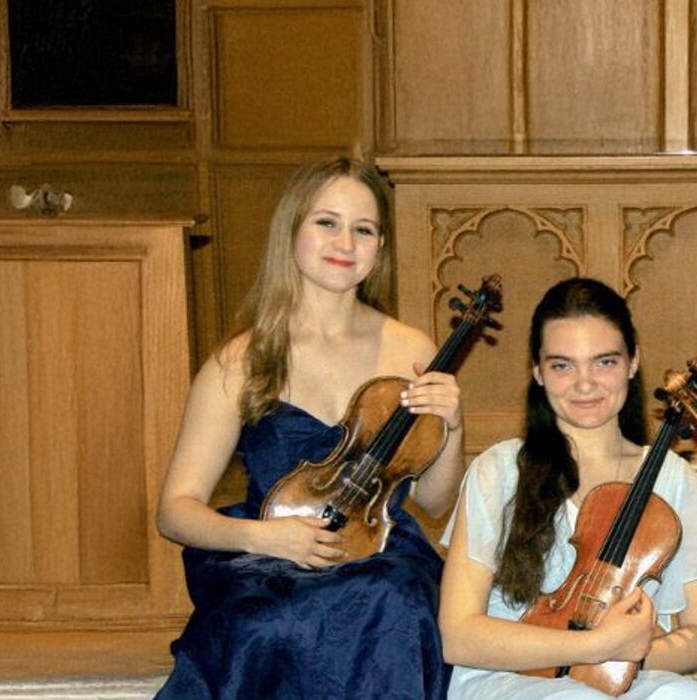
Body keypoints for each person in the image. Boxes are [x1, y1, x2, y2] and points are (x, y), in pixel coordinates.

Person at [153, 157, 464, 699]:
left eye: (363, 230)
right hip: (266, 555)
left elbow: (434, 501)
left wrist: (453, 427)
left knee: (397, 604)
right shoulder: (241, 361)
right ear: (292, 229)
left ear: (380, 246)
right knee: (266, 625)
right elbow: (175, 510)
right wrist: (263, 538)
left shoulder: (411, 349)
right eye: (327, 222)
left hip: (381, 554)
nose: (345, 242)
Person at [439, 278, 697, 700]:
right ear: (537, 371)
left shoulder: (676, 481)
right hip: (505, 677)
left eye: (604, 362)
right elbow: (459, 636)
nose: (585, 384)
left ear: (633, 362)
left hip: (622, 675)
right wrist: (595, 646)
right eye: (562, 366)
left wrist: (623, 655)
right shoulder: (498, 470)